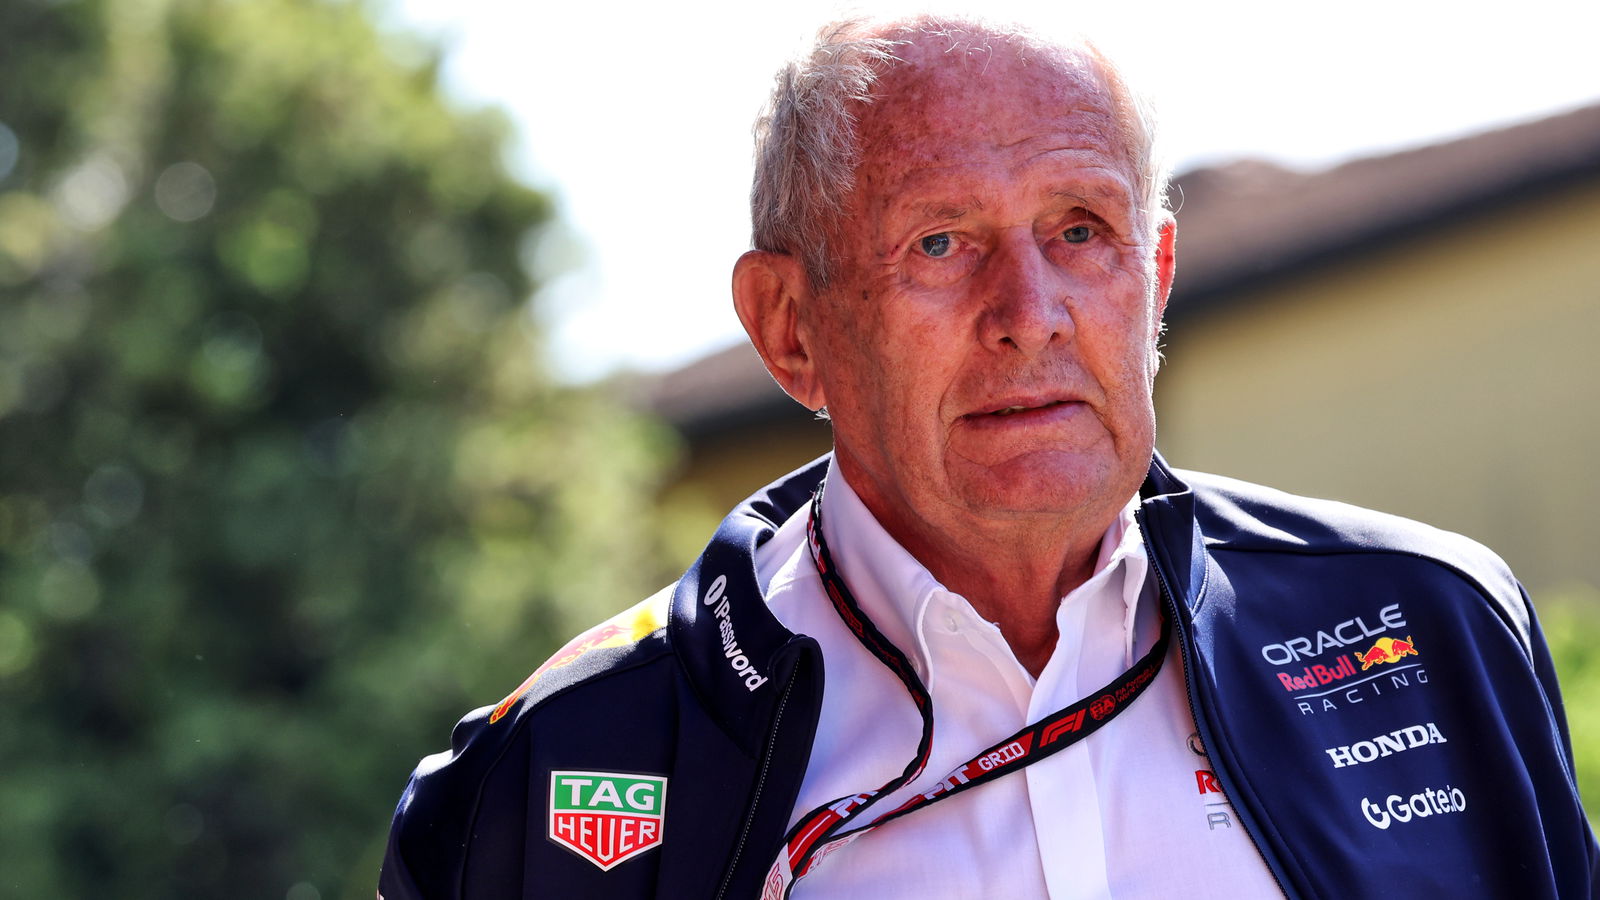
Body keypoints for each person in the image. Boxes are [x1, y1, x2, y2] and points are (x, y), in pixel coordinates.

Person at [377, 14, 1598, 900]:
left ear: (1155, 277)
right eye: (941, 243)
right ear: (791, 329)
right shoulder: (559, 768)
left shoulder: (1433, 625)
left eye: (1081, 231)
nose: (1031, 313)